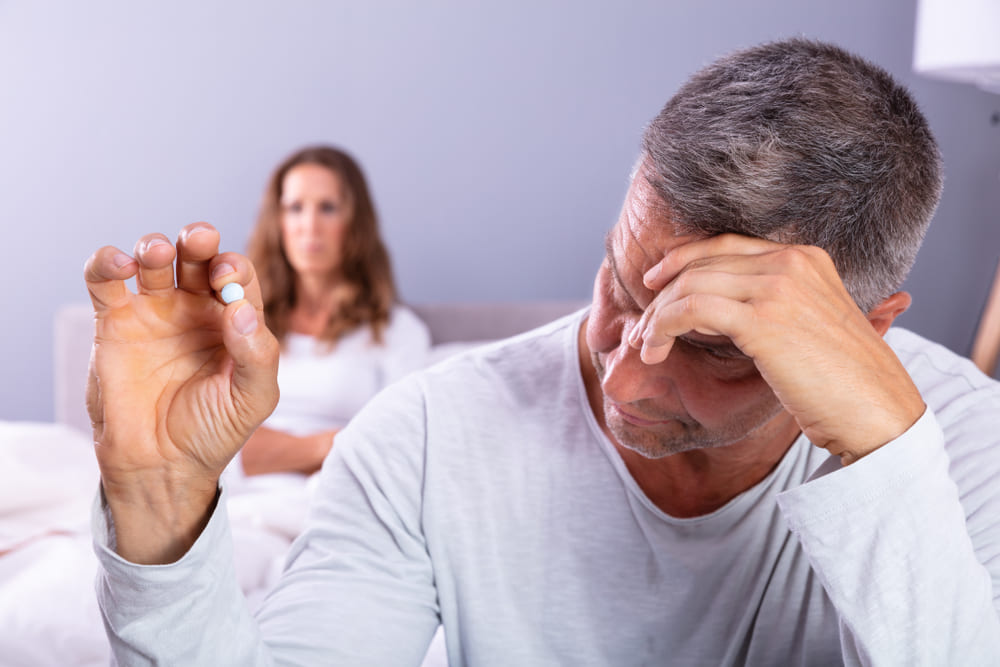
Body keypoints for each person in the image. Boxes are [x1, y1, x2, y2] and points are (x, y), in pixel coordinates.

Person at [85, 38, 1000, 664]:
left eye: (718, 346)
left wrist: (887, 460)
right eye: (620, 286)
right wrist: (159, 504)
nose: (628, 374)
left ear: (867, 328)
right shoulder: (428, 434)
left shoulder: (969, 451)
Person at [233, 145, 430, 477]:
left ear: (355, 223)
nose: (310, 226)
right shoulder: (243, 323)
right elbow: (217, 448)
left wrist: (265, 451)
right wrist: (328, 445)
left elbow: (396, 449)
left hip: (336, 501)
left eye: (327, 208)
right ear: (277, 221)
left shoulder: (398, 331)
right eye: (295, 208)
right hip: (239, 506)